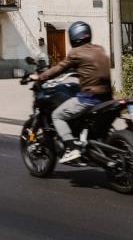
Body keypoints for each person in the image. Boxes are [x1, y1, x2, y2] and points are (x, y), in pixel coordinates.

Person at [30, 21, 112, 163]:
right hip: (107, 97)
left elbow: (59, 68)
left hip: (90, 98)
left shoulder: (76, 53)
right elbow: (90, 68)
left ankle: (71, 147)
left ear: (73, 37)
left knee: (57, 115)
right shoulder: (99, 49)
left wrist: (40, 77)